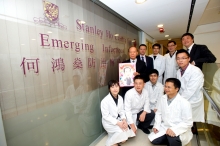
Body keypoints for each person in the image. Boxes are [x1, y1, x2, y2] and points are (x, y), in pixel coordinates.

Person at [148, 78, 193, 146]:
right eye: (165, 86)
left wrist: (174, 130)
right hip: (165, 126)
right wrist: (156, 126)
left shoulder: (184, 103)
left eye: (169, 87)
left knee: (173, 140)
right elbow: (159, 113)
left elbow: (188, 122)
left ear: (176, 89)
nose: (166, 89)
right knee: (154, 141)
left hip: (178, 128)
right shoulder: (163, 98)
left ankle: (172, 138)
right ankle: (168, 137)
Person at [101, 80, 135, 146]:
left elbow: (121, 111)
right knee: (122, 131)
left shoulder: (120, 98)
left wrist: (124, 120)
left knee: (125, 135)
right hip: (109, 122)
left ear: (119, 87)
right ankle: (110, 143)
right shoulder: (105, 101)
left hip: (118, 120)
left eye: (116, 86)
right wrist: (118, 123)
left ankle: (113, 135)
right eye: (112, 87)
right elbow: (106, 116)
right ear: (109, 89)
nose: (115, 89)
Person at [176, 49, 204, 123]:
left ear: (189, 59)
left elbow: (190, 90)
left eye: (183, 58)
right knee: (185, 120)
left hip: (193, 99)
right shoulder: (179, 71)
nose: (180, 60)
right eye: (178, 58)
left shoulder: (196, 71)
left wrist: (177, 101)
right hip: (183, 98)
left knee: (190, 120)